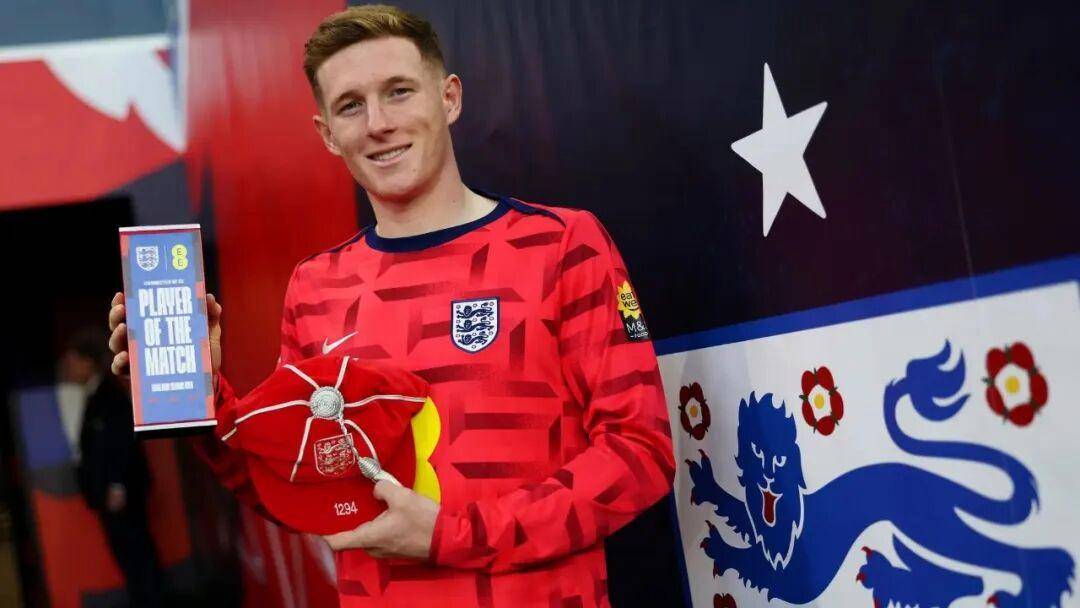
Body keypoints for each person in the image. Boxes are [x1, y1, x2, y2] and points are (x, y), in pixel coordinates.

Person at [108, 4, 674, 606]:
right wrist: (199, 399)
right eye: (351, 105)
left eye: (399, 91)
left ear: (449, 98)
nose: (378, 123)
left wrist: (453, 535)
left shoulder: (561, 245)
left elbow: (640, 451)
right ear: (328, 133)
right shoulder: (314, 286)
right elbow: (302, 485)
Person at [66, 328, 162, 606]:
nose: (70, 370)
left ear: (88, 362)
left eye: (74, 362)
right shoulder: (94, 396)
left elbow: (121, 441)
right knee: (130, 558)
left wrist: (117, 485)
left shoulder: (109, 395)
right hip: (109, 497)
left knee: (137, 556)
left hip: (121, 496)